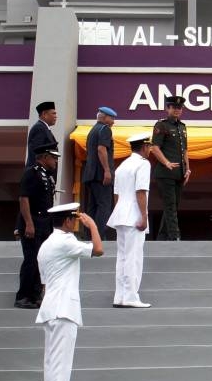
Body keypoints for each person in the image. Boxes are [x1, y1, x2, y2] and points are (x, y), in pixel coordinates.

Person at [36, 203, 104, 381]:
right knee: (60, 363)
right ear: (66, 221)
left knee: (52, 362)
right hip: (63, 309)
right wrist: (93, 226)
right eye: (74, 219)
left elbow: (44, 284)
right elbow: (98, 250)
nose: (76, 222)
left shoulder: (46, 244)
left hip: (52, 308)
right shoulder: (66, 241)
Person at [109, 132, 153, 308]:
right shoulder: (143, 164)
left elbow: (116, 194)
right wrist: (144, 216)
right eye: (149, 146)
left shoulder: (122, 166)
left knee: (122, 258)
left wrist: (119, 212)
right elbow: (141, 191)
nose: (150, 149)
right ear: (144, 147)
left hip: (121, 214)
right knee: (134, 257)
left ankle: (120, 296)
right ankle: (131, 297)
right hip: (134, 215)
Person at [16, 143, 59, 309]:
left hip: (45, 223)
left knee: (41, 260)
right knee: (31, 260)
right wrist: (28, 223)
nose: (55, 160)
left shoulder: (47, 175)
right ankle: (23, 296)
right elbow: (24, 198)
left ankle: (35, 295)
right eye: (53, 157)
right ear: (44, 157)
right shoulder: (32, 173)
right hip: (33, 221)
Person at [151, 96, 190, 241]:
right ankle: (175, 237)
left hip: (179, 173)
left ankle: (162, 237)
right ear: (167, 108)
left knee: (173, 206)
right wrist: (166, 162)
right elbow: (154, 148)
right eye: (173, 107)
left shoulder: (182, 127)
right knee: (171, 206)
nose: (177, 110)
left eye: (179, 108)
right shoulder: (161, 125)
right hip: (165, 173)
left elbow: (185, 150)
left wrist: (188, 169)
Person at [81, 106, 117, 238]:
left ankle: (90, 235)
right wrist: (107, 171)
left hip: (90, 174)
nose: (113, 121)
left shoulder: (92, 130)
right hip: (101, 175)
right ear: (104, 118)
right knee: (104, 206)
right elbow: (101, 150)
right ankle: (100, 236)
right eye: (111, 118)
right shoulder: (105, 129)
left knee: (93, 206)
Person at [25, 101, 58, 168]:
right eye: (53, 113)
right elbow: (37, 154)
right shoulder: (39, 128)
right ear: (44, 114)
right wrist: (40, 174)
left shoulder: (44, 128)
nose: (56, 116)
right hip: (38, 174)